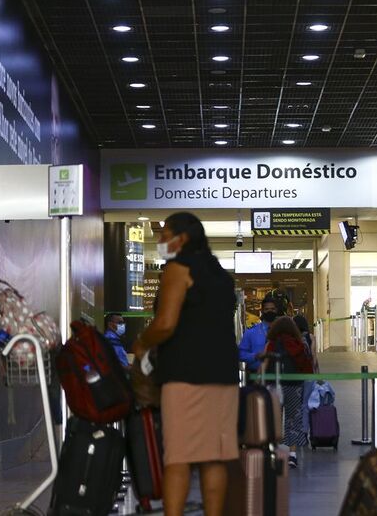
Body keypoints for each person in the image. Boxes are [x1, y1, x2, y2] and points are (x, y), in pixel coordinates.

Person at [132, 212, 239, 516]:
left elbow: (165, 323)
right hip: (224, 374)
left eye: (165, 235)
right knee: (214, 456)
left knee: (177, 457)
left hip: (185, 373)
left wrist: (142, 343)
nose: (161, 241)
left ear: (183, 238)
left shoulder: (178, 269)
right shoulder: (219, 273)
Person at [263, 316, 314, 469]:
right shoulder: (299, 344)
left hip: (275, 386)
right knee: (293, 419)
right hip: (294, 385)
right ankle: (292, 455)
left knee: (274, 418)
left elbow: (265, 365)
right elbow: (306, 365)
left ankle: (275, 451)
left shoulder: (271, 344)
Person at [239, 296, 281, 373]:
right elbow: (240, 354)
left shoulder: (283, 331)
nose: (269, 312)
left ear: (277, 310)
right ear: (262, 311)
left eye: (272, 309)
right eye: (267, 309)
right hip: (255, 375)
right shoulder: (251, 332)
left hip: (280, 374)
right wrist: (255, 356)